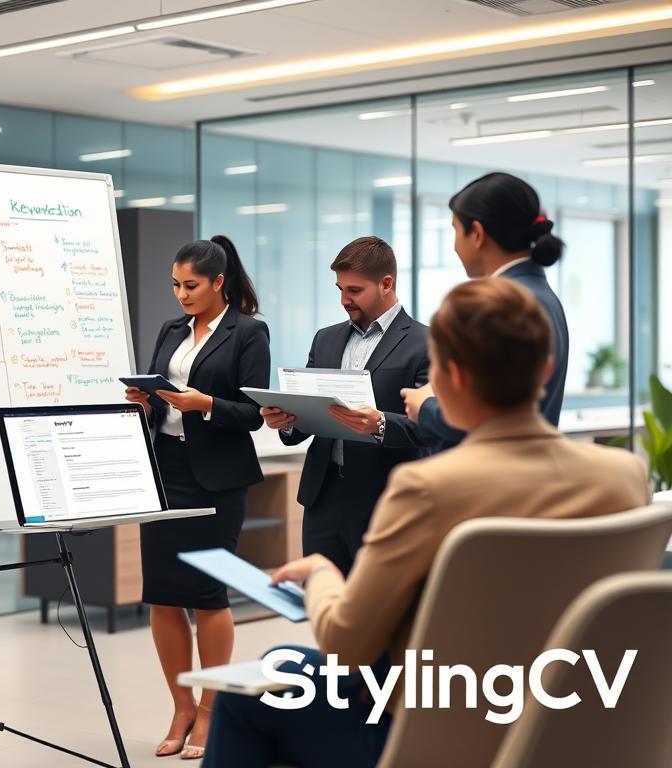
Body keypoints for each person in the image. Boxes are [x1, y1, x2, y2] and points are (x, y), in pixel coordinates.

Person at [202, 278, 650, 768]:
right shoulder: (623, 477)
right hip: (571, 718)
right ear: (545, 369)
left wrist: (324, 577)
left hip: (439, 728)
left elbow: (349, 647)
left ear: (449, 376)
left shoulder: (428, 487)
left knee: (259, 682)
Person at [124, 235, 270, 759]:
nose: (181, 295)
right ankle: (181, 706)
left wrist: (204, 402)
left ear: (218, 283)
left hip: (217, 478)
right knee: (161, 595)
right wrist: (142, 402)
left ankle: (211, 711)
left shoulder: (248, 333)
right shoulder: (170, 330)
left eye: (191, 286)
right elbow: (157, 397)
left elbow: (253, 413)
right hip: (163, 471)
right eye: (175, 286)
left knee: (209, 595)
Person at [260, 236, 428, 574]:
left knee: (380, 614)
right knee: (321, 603)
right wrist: (287, 419)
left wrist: (380, 424)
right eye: (339, 289)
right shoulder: (326, 338)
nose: (343, 300)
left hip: (385, 501)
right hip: (324, 499)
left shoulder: (426, 342)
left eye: (353, 290)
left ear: (386, 283)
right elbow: (309, 413)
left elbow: (433, 425)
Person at [401, 172, 569, 450]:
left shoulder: (508, 305)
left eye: (455, 230)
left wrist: (426, 408)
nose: (454, 245)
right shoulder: (540, 297)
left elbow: (491, 415)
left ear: (477, 234)